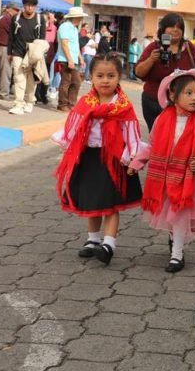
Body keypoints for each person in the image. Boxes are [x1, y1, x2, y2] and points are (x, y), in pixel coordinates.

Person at [53, 53, 143, 264]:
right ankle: (93, 240)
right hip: (89, 158)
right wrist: (69, 152)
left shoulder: (124, 106)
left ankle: (109, 244)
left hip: (114, 160)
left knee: (111, 203)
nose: (105, 80)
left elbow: (132, 134)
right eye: (100, 75)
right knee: (93, 201)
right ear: (91, 77)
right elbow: (73, 130)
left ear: (119, 77)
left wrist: (132, 158)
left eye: (111, 75)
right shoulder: (85, 103)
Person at [128, 68, 195, 272]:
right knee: (171, 215)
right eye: (189, 93)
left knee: (180, 214)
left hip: (188, 178)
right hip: (165, 177)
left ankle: (177, 254)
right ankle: (174, 239)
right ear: (172, 95)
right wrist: (136, 163)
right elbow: (152, 145)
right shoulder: (162, 119)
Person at [135, 13, 195, 131]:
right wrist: (151, 59)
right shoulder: (154, 47)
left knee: (175, 138)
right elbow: (138, 72)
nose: (175, 30)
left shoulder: (189, 48)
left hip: (179, 105)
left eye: (179, 27)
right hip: (152, 102)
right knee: (157, 137)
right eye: (171, 26)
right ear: (163, 29)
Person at [7, 0, 45, 115]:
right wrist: (9, 53)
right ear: (23, 6)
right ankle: (18, 103)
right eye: (27, 5)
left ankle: (29, 102)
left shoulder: (40, 19)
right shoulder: (15, 18)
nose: (29, 8)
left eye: (32, 6)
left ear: (35, 7)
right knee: (18, 77)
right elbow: (11, 37)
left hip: (33, 53)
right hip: (18, 51)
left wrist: (40, 54)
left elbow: (42, 38)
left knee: (31, 79)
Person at [56, 6, 87, 113]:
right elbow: (64, 44)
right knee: (67, 82)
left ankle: (70, 103)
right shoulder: (65, 27)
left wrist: (80, 58)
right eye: (80, 17)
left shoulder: (73, 28)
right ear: (76, 17)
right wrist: (69, 59)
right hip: (66, 59)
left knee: (75, 82)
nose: (81, 19)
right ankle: (63, 104)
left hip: (72, 59)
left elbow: (75, 45)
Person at [0, 2, 19, 100]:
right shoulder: (8, 19)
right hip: (3, 47)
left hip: (0, 46)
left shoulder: (3, 18)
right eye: (15, 9)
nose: (17, 12)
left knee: (0, 70)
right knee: (6, 71)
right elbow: (14, 33)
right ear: (9, 9)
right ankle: (3, 94)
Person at [35, 12, 58, 105]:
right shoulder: (39, 27)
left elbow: (55, 42)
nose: (49, 19)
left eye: (50, 18)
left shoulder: (54, 28)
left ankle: (43, 94)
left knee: (47, 77)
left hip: (50, 55)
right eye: (48, 17)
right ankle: (37, 95)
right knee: (39, 75)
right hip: (41, 54)